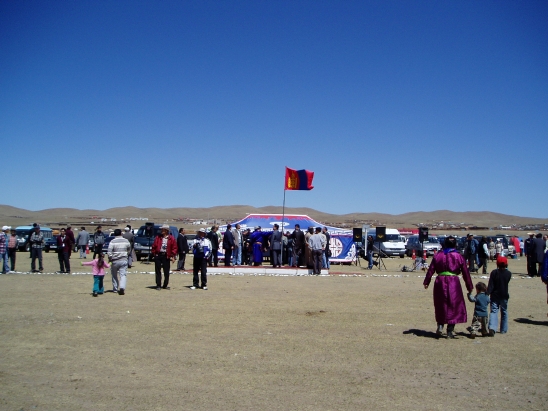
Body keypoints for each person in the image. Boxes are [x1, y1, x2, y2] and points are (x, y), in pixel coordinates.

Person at [423, 236, 473, 339]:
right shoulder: (458, 256)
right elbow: (465, 272)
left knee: (440, 304)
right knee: (454, 305)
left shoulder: (438, 255)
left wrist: (426, 281)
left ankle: (440, 325)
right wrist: (469, 286)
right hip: (453, 282)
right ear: (455, 244)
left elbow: (431, 269)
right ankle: (450, 331)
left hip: (440, 281)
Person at [487, 256, 512, 336]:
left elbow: (491, 285)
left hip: (495, 295)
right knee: (504, 312)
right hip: (504, 295)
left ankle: (492, 327)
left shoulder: (494, 272)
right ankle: (503, 329)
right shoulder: (508, 273)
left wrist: (487, 292)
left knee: (494, 311)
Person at [151, 224, 177, 290]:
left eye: (162, 230)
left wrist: (173, 256)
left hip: (166, 256)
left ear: (166, 230)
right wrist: (154, 253)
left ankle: (165, 285)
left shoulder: (171, 238)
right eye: (161, 230)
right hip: (158, 255)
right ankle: (158, 285)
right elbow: (154, 246)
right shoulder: (158, 237)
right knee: (158, 271)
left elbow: (174, 248)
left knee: (166, 271)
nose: (161, 231)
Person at [107, 229, 131, 295]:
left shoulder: (112, 241)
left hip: (115, 260)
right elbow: (129, 249)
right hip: (123, 260)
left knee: (114, 275)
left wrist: (110, 258)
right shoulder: (126, 241)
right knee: (123, 275)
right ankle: (122, 288)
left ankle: (115, 288)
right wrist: (126, 254)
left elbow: (109, 251)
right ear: (121, 233)